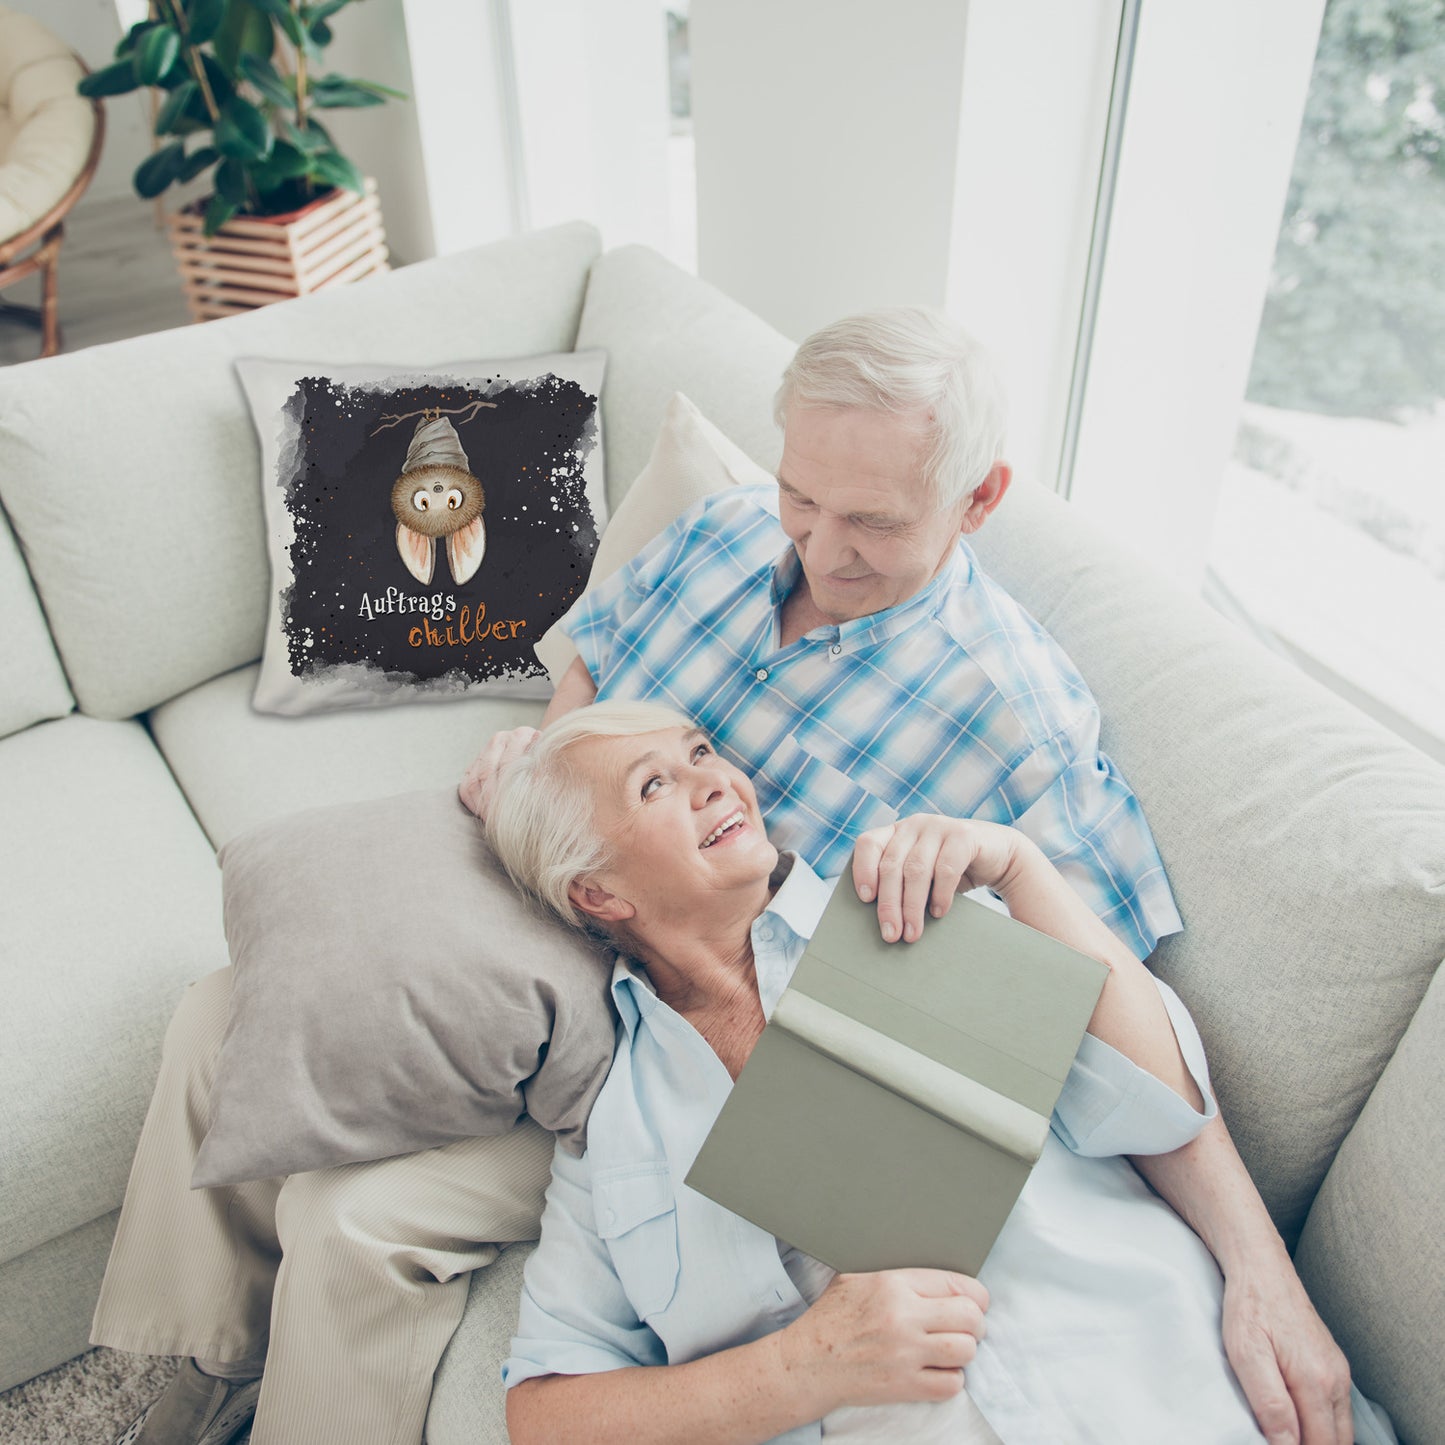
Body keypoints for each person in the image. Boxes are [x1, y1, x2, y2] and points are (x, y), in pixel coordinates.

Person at [94, 309, 1349, 1445]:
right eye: (804, 495)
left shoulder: (1017, 726)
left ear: (976, 501)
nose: (819, 545)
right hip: (581, 887)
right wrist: (545, 764)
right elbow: (594, 665)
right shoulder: (725, 532)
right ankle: (193, 1363)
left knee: (355, 1218)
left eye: (871, 521)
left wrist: (1259, 1266)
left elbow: (1103, 1020)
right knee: (229, 1007)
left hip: (692, 1011)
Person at [486, 701, 1378, 1445]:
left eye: (700, 753)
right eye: (655, 785)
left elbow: (1158, 1104)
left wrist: (1020, 868)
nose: (714, 779)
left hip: (1173, 1389)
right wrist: (801, 1367)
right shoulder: (615, 1132)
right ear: (597, 893)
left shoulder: (908, 906)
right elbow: (545, 1412)